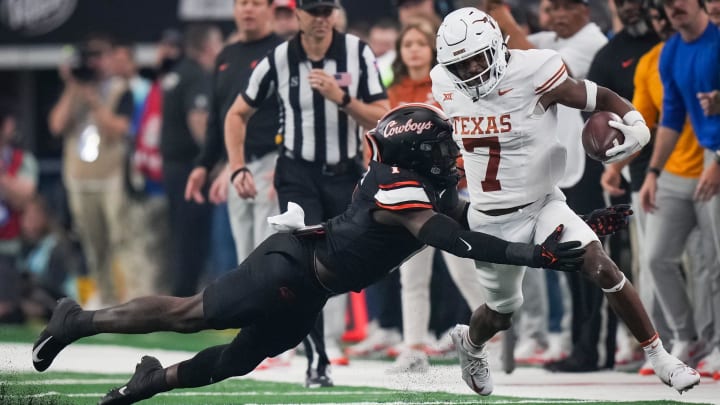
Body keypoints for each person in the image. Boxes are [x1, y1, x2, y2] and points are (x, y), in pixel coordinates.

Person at [32, 103, 619, 405]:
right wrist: (533, 257)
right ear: (414, 154)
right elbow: (450, 239)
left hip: (311, 290)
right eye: (439, 146)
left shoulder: (424, 184)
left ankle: (150, 383)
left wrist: (568, 226)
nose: (449, 154)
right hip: (288, 266)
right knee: (192, 315)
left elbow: (472, 217)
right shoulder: (399, 188)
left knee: (236, 362)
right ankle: (76, 320)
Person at [431, 7, 700, 396]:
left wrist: (636, 123)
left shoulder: (535, 71)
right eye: (461, 64)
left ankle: (661, 357)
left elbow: (599, 96)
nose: (471, 69)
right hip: (488, 217)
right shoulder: (443, 81)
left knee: (600, 264)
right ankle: (471, 346)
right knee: (501, 313)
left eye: (478, 57)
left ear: (497, 47)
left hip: (543, 204)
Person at [224, 0, 389, 387]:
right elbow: (237, 113)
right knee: (304, 265)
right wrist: (237, 166)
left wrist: (342, 99)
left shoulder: (357, 52)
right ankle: (317, 356)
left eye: (326, 9)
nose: (320, 18)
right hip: (297, 173)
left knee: (344, 264)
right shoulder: (279, 58)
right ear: (297, 14)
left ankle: (330, 341)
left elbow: (383, 114)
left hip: (344, 172)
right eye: (312, 10)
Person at [639, 0, 720, 380]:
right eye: (664, 4)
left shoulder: (717, 39)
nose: (673, 7)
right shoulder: (671, 50)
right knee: (657, 257)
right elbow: (671, 114)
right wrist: (653, 171)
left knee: (715, 259)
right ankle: (688, 336)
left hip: (713, 157)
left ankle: (718, 342)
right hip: (696, 158)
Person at [48, 33, 133, 307]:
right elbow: (56, 126)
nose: (94, 63)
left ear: (108, 59)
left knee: (119, 239)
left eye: (99, 56)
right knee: (93, 243)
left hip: (111, 178)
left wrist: (95, 100)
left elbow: (118, 130)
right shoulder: (73, 90)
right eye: (89, 57)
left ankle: (129, 297)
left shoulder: (121, 89)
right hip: (80, 179)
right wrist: (73, 87)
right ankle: (105, 298)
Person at [160, 24, 223, 297]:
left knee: (181, 234)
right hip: (190, 167)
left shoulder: (176, 73)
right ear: (209, 47)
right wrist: (211, 160)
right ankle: (185, 297)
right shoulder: (198, 75)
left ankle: (181, 292)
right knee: (192, 236)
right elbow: (197, 119)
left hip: (173, 166)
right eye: (219, 43)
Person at [0, 102, 39, 323]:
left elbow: (26, 195)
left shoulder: (20, 159)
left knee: (7, 311)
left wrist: (3, 176)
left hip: (8, 244)